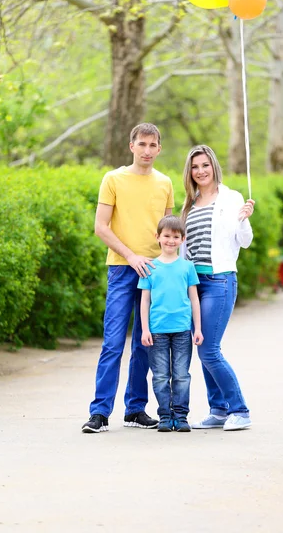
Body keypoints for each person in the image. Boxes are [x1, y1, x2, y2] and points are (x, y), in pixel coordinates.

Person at [82, 123, 174, 433]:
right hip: (122, 268)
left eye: (153, 145)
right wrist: (131, 256)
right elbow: (101, 227)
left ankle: (135, 409)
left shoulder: (165, 183)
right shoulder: (113, 179)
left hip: (154, 271)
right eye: (142, 144)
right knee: (113, 342)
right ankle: (99, 412)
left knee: (145, 343)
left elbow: (170, 230)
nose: (147, 150)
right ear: (131, 145)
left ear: (159, 149)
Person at [180, 145, 255, 432]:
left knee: (209, 349)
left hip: (220, 281)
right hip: (194, 286)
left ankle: (240, 409)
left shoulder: (231, 198)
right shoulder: (190, 204)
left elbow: (244, 241)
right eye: (195, 167)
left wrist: (244, 218)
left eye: (205, 165)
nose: (200, 171)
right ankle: (218, 410)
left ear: (214, 167)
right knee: (203, 346)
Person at [139, 215, 203, 433]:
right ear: (158, 237)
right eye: (166, 236)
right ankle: (165, 415)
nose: (170, 240)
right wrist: (145, 329)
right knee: (160, 376)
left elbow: (194, 298)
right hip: (157, 331)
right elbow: (145, 300)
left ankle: (181, 415)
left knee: (182, 375)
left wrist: (198, 329)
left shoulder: (187, 267)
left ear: (183, 239)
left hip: (183, 330)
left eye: (176, 236)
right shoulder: (150, 268)